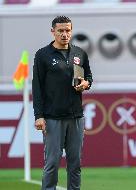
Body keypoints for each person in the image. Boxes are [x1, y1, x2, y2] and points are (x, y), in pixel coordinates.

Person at [32, 15, 93, 190]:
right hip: (52, 118)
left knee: (75, 165)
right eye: (60, 31)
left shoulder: (79, 53)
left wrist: (85, 84)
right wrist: (39, 116)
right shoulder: (43, 55)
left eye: (67, 30)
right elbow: (37, 87)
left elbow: (88, 77)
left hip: (76, 117)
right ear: (53, 32)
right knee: (51, 163)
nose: (64, 34)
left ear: (71, 31)